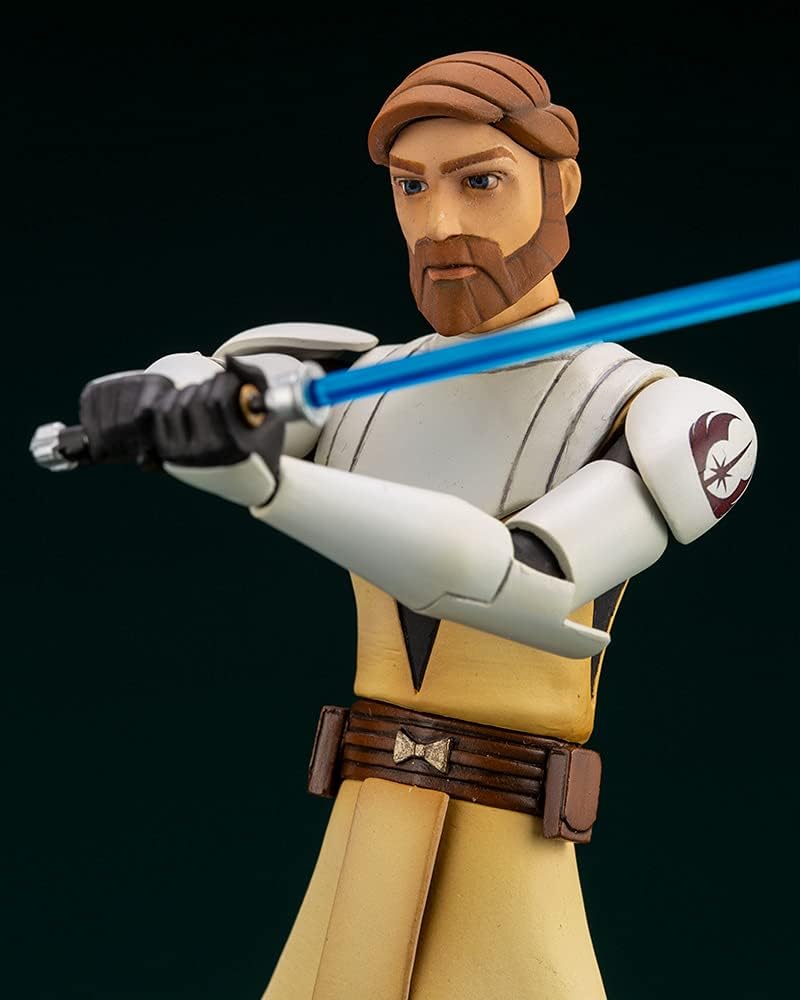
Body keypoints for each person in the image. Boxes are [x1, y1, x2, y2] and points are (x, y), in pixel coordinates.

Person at [73, 52, 756, 1000]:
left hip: (507, 851)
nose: (440, 225)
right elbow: (224, 385)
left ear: (560, 188)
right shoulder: (362, 381)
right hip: (360, 835)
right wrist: (162, 402)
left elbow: (520, 581)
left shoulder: (656, 412)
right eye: (411, 186)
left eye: (481, 182)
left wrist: (268, 486)